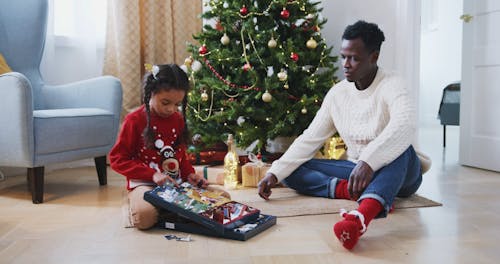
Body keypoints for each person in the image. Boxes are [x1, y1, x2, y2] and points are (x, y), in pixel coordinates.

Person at [257, 20, 430, 250]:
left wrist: (369, 161)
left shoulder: (393, 84)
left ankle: (360, 217)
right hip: (359, 171)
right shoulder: (338, 94)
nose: (345, 64)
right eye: (343, 57)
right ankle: (358, 192)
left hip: (403, 173)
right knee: (290, 169)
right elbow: (310, 138)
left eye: (354, 58)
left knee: (402, 148)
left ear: (374, 57)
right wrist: (274, 174)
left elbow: (405, 125)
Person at [110, 63, 208, 230]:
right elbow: (117, 159)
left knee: (222, 198)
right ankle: (137, 205)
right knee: (144, 217)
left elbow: (180, 157)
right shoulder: (134, 120)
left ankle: (167, 209)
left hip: (175, 185)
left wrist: (190, 174)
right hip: (144, 184)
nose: (171, 109)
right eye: (165, 102)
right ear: (151, 93)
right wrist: (152, 175)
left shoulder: (178, 120)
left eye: (177, 104)